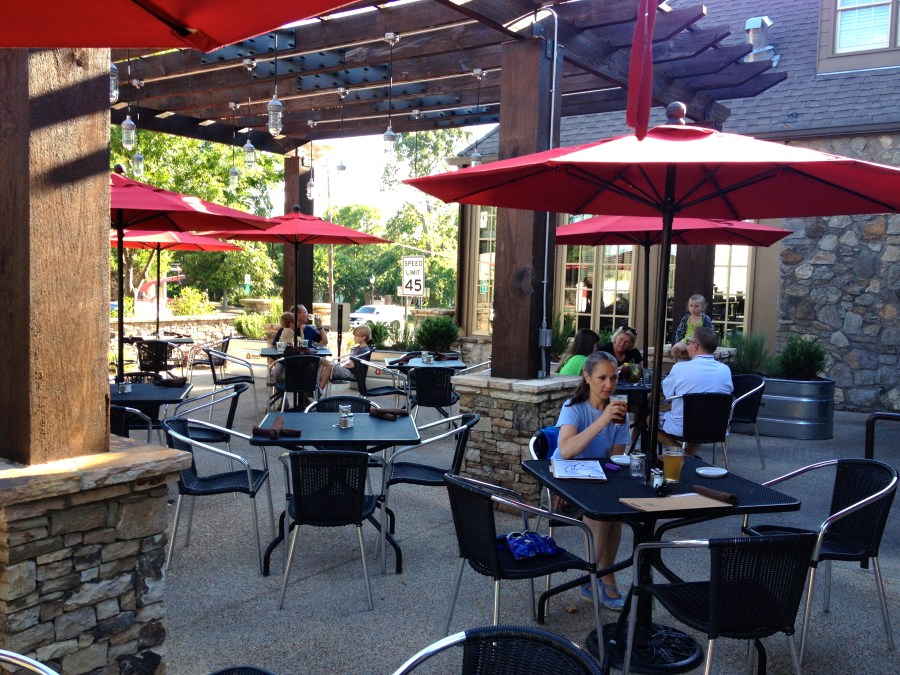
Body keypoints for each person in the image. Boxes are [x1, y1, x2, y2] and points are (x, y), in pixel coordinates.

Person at [553, 351, 629, 610]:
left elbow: (615, 459)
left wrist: (611, 418)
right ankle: (595, 576)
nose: (609, 384)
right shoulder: (573, 408)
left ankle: (596, 575)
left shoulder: (619, 411)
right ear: (587, 377)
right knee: (600, 511)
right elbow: (566, 451)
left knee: (614, 511)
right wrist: (603, 419)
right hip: (566, 476)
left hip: (597, 476)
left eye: (614, 378)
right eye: (602, 378)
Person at [658, 326, 733, 455]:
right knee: (700, 415)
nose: (687, 346)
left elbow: (667, 394)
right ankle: (690, 457)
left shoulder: (679, 368)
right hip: (716, 427)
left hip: (684, 427)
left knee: (648, 419)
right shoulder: (725, 370)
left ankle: (681, 454)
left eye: (689, 342)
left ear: (695, 346)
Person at [318, 325, 372, 391]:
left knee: (324, 361)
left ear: (363, 337)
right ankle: (318, 387)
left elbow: (352, 365)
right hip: (349, 372)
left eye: (355, 336)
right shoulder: (358, 348)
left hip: (352, 374)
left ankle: (319, 389)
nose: (354, 338)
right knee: (324, 364)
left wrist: (341, 367)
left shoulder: (364, 350)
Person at [670, 294, 713, 361]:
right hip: (686, 341)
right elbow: (680, 332)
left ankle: (691, 360)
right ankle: (678, 364)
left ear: (702, 307)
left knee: (697, 353)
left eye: (696, 306)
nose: (693, 308)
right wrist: (678, 342)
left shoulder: (705, 319)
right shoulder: (686, 318)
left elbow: (710, 333)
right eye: (691, 306)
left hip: (699, 343)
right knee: (675, 349)